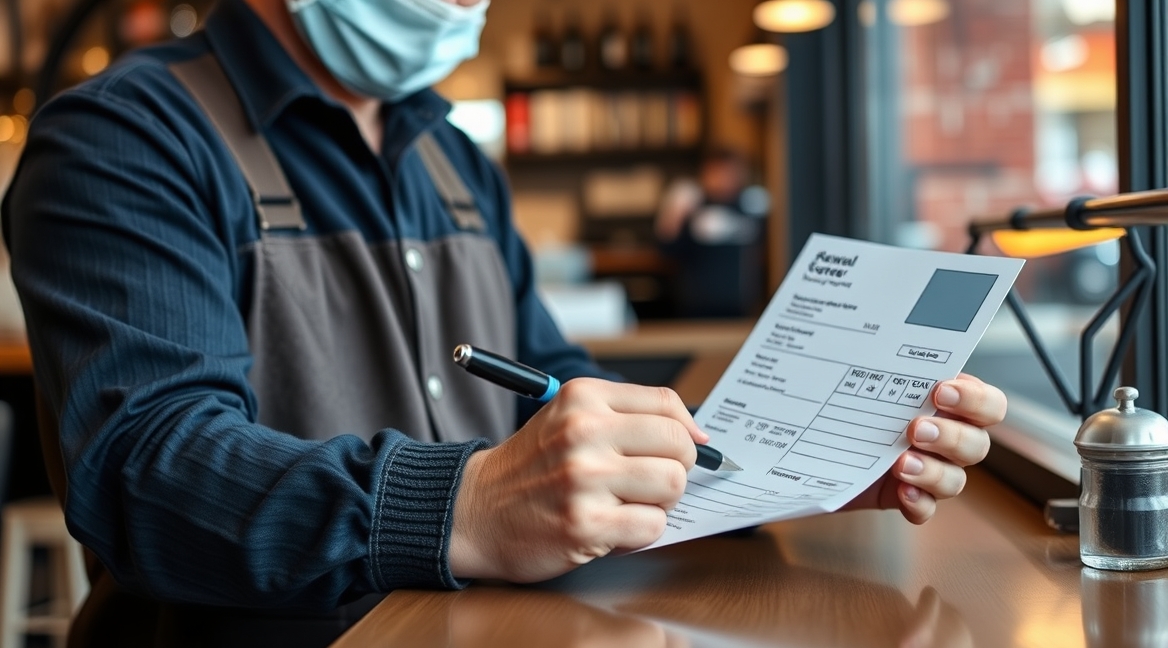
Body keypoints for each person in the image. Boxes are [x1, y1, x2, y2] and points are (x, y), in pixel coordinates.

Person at [1, 0, 1005, 645]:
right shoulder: (126, 137)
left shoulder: (454, 162)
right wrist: (466, 505)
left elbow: (564, 388)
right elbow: (147, 469)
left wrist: (785, 461)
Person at [655, 146, 768, 317]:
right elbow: (668, 250)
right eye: (718, 173)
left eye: (730, 172)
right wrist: (674, 214)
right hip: (695, 303)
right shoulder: (692, 207)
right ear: (705, 174)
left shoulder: (752, 207)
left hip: (741, 304)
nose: (724, 179)